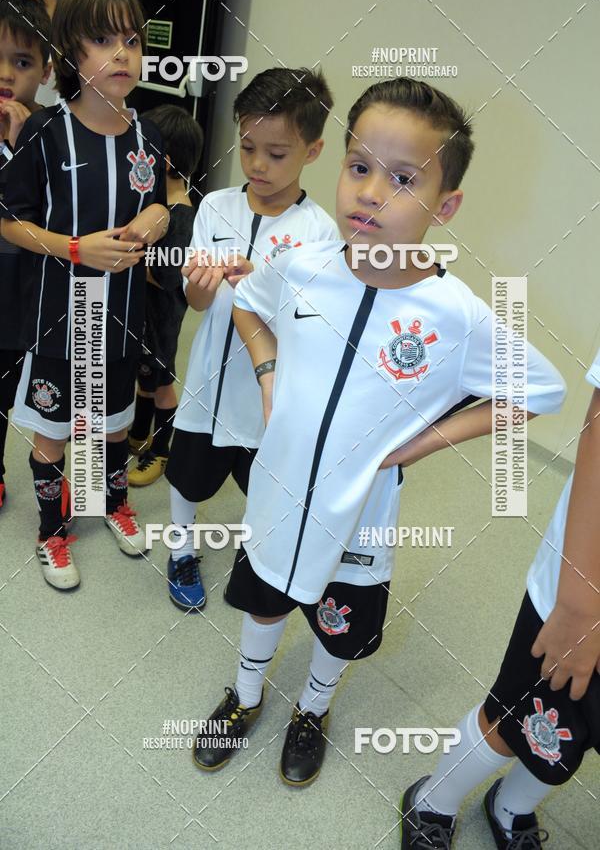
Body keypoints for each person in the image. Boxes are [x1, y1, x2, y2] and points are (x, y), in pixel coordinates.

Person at [190, 77, 567, 788]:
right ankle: (244, 698)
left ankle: (313, 709)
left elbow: (540, 388)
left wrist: (418, 443)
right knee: (264, 594)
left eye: (401, 179)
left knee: (338, 619)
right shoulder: (303, 264)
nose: (369, 192)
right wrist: (269, 376)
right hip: (281, 481)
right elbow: (250, 303)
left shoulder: (454, 314)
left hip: (363, 505)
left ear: (445, 205)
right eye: (359, 167)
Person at [0, 0, 168, 590]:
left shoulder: (145, 133)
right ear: (71, 53)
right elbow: (8, 219)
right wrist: (74, 247)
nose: (123, 53)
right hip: (58, 317)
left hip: (121, 314)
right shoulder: (47, 132)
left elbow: (163, 202)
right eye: (103, 39)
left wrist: (154, 220)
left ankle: (111, 502)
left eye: (132, 39)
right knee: (55, 432)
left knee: (115, 422)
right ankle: (51, 532)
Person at [399, 348, 600, 849]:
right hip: (585, 594)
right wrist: (578, 605)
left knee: (579, 734)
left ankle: (510, 808)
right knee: (519, 718)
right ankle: (434, 801)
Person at [162, 66, 339, 612]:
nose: (259, 165)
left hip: (268, 392)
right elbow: (195, 302)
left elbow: (314, 326)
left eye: (278, 153)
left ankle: (259, 556)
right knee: (188, 473)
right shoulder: (216, 207)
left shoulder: (319, 232)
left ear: (313, 150)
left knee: (263, 483)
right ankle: (180, 546)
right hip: (209, 378)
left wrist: (260, 282)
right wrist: (197, 283)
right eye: (248, 147)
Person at [128, 104, 204, 487]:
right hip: (147, 316)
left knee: (162, 383)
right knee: (147, 376)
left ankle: (160, 450)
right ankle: (139, 434)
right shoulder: (161, 206)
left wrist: (128, 260)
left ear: (164, 160)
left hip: (162, 317)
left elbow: (168, 277)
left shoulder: (180, 216)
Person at [0, 0, 51, 512]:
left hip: (30, 287)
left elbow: (47, 214)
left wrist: (19, 148)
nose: (6, 74)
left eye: (21, 61)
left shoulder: (50, 132)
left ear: (47, 68)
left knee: (22, 386)